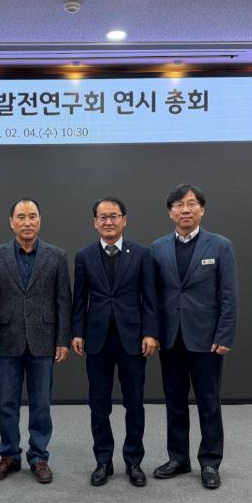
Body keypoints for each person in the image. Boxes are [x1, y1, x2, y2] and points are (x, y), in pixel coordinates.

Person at [150, 183, 238, 490]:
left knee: (208, 401)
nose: (185, 210)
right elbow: (152, 296)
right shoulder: (157, 248)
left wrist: (225, 334)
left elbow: (229, 295)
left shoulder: (220, 246)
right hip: (170, 338)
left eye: (191, 204)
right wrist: (153, 333)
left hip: (207, 339)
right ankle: (178, 458)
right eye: (178, 205)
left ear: (202, 209)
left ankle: (210, 461)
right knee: (174, 400)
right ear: (169, 212)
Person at [0, 198, 71, 484]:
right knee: (7, 403)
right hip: (6, 341)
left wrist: (63, 340)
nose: (27, 222)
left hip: (44, 340)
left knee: (41, 403)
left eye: (32, 216)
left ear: (40, 220)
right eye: (21, 217)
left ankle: (39, 456)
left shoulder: (57, 256)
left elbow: (63, 302)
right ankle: (9, 455)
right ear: (11, 222)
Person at [72, 197, 159, 487]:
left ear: (124, 220)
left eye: (114, 216)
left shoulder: (142, 253)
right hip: (97, 340)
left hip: (133, 340)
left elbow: (150, 297)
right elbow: (79, 299)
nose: (108, 221)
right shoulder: (84, 255)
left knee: (134, 403)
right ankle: (103, 461)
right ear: (95, 222)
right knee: (99, 404)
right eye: (103, 217)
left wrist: (150, 333)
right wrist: (77, 332)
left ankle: (134, 461)